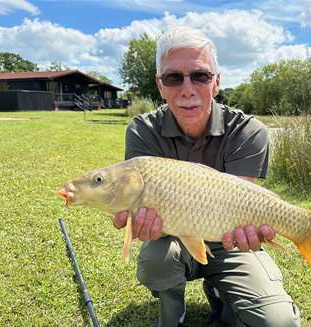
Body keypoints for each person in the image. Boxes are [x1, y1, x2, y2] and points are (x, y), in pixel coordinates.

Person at [113, 26, 300, 327]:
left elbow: (241, 206)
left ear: (216, 83)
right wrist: (140, 222)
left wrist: (255, 229)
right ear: (159, 85)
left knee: (277, 323)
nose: (187, 89)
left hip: (228, 237)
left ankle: (222, 294)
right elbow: (141, 213)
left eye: (200, 76)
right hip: (173, 237)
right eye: (174, 77)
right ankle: (173, 314)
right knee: (155, 261)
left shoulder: (248, 131)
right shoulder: (142, 131)